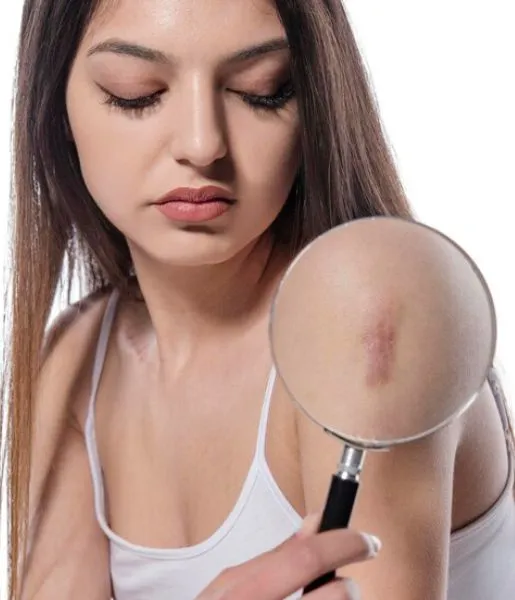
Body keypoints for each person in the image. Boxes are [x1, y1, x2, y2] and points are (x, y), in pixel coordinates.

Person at [1, 0, 514, 598]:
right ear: (55, 107)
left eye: (261, 90)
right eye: (136, 93)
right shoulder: (77, 353)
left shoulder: (367, 306)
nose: (202, 145)